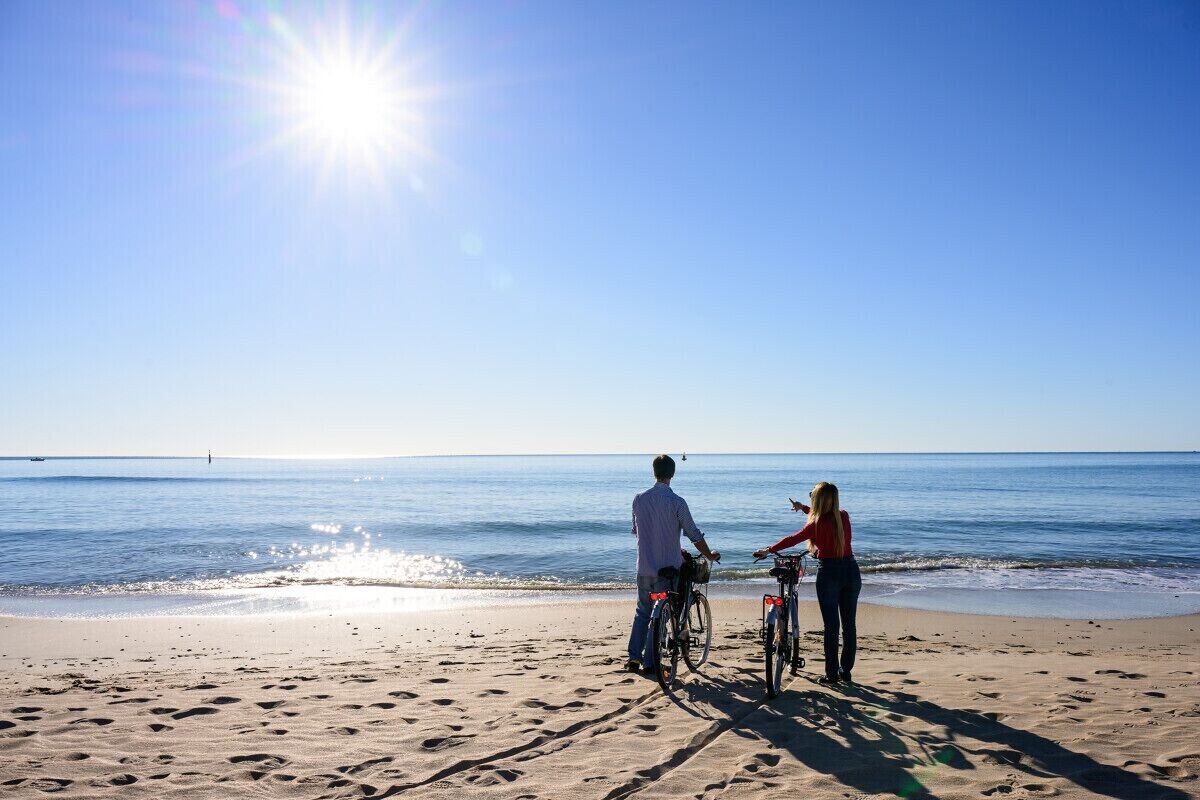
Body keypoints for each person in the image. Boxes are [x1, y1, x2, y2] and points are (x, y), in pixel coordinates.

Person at [753, 481, 860, 685]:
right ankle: (845, 671)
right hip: (851, 572)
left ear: (818, 500)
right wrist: (803, 508)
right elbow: (824, 516)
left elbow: (793, 539)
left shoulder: (815, 524)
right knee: (849, 625)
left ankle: (831, 675)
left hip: (829, 573)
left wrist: (768, 550)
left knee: (831, 627)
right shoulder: (843, 516)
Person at [626, 454, 720, 674]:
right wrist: (709, 555)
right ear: (672, 474)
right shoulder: (677, 502)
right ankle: (651, 662)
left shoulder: (638, 499)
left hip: (644, 567)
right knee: (661, 615)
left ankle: (633, 659)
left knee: (642, 612)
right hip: (667, 569)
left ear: (654, 472)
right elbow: (694, 535)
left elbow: (636, 531)